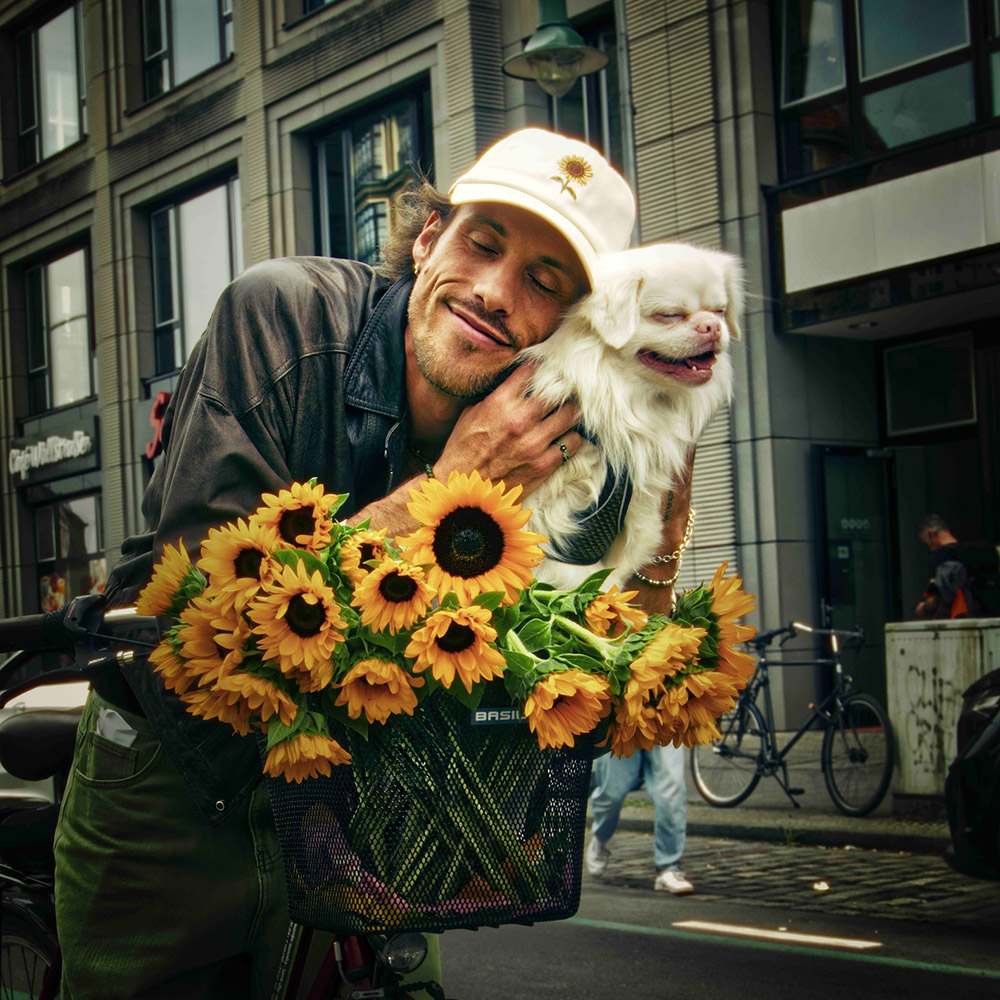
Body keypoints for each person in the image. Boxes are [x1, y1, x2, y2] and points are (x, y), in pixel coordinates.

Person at [52, 127, 690, 1000]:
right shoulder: (282, 320)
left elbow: (608, 681)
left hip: (366, 808)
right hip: (177, 783)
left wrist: (661, 526)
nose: (496, 292)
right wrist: (453, 487)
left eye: (545, 282)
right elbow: (212, 628)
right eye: (483, 243)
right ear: (428, 239)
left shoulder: (561, 433)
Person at [585, 745, 694, 895]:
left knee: (672, 789)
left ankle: (669, 866)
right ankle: (601, 836)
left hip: (665, 723)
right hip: (618, 723)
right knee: (612, 793)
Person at [915, 514, 1000, 619]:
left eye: (927, 544)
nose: (930, 549)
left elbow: (933, 602)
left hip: (965, 624)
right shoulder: (984, 550)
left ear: (931, 534)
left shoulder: (940, 556)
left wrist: (922, 608)